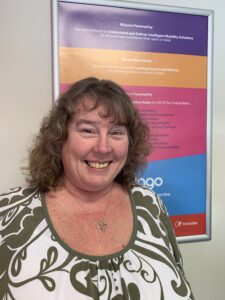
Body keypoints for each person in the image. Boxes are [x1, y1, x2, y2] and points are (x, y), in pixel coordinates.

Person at [0, 77, 195, 299]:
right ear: (59, 138)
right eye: (88, 130)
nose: (103, 147)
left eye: (116, 133)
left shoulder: (150, 205)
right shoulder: (8, 214)